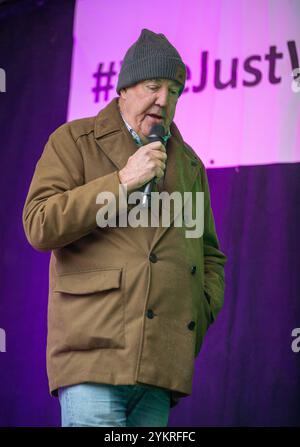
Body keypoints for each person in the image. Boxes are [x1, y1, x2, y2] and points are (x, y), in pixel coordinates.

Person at [22, 28, 227, 427]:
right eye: (154, 86)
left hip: (161, 365)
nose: (164, 100)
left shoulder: (189, 165)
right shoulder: (73, 141)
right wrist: (122, 182)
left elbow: (209, 255)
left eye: (174, 91)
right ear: (124, 88)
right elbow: (39, 223)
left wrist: (197, 310)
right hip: (92, 359)